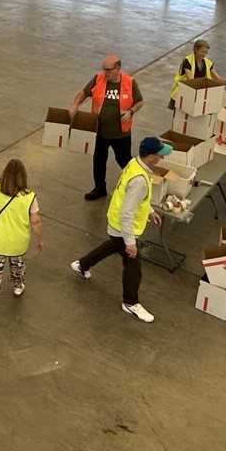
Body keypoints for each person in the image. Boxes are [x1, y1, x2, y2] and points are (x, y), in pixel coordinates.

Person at [71, 136, 171, 324]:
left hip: (116, 223)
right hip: (123, 226)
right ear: (150, 157)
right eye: (159, 155)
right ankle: (130, 302)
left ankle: (82, 265)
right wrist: (130, 242)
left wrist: (149, 211)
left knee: (112, 246)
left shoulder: (135, 164)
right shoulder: (140, 180)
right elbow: (127, 213)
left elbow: (131, 198)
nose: (161, 158)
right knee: (134, 265)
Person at [67, 55, 143, 201]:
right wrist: (75, 104)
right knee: (99, 161)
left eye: (108, 70)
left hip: (120, 133)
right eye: (104, 69)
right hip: (100, 131)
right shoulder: (98, 79)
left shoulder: (129, 82)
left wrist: (130, 112)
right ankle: (99, 188)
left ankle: (135, 187)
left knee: (125, 161)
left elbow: (140, 102)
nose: (105, 72)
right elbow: (83, 93)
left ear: (118, 68)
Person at [0, 159, 45, 317]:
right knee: (17, 265)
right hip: (17, 241)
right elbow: (36, 222)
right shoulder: (29, 197)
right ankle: (18, 285)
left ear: (5, 173)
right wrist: (40, 239)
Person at [168, 39, 226, 111]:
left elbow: (218, 79)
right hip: (183, 94)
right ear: (195, 50)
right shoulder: (187, 61)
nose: (204, 54)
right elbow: (192, 81)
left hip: (197, 94)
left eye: (206, 52)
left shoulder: (207, 63)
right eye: (202, 52)